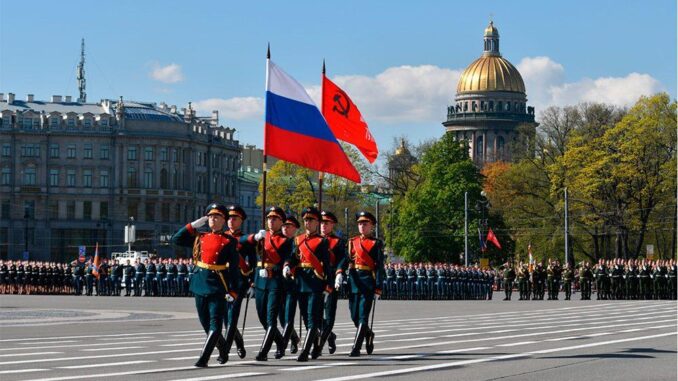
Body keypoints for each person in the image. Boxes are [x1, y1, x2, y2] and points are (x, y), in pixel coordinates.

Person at [171, 203, 240, 367]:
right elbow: (176, 239)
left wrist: (233, 291)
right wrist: (192, 225)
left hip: (218, 285)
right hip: (199, 283)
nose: (212, 219)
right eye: (210, 216)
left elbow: (234, 269)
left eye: (216, 217)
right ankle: (223, 349)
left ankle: (203, 358)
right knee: (205, 323)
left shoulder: (229, 241)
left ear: (223, 220)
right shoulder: (200, 237)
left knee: (215, 325)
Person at [286, 207, 331, 362]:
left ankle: (305, 351)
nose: (307, 222)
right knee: (306, 318)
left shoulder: (322, 241)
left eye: (311, 220)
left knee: (312, 318)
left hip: (315, 283)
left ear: (317, 222)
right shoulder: (298, 240)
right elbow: (293, 257)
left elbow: (327, 265)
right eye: (305, 220)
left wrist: (328, 286)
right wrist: (287, 265)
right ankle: (317, 344)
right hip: (301, 282)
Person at [249, 206, 294, 361]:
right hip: (260, 281)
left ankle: (263, 352)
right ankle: (282, 342)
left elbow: (288, 257)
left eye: (274, 219)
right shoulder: (261, 237)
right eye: (269, 218)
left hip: (276, 282)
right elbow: (251, 256)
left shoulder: (286, 241)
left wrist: (282, 266)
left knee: (270, 318)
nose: (271, 221)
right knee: (262, 317)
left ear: (281, 222)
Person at [222, 205, 257, 362]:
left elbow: (253, 263)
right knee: (225, 319)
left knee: (233, 317)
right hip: (223, 282)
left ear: (241, 221)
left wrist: (251, 282)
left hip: (238, 283)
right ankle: (239, 341)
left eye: (234, 218)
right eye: (229, 218)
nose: (231, 221)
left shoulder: (247, 240)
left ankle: (225, 351)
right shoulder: (221, 237)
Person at [347, 211, 384, 357]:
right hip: (354, 281)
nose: (362, 226)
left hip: (368, 282)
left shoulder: (376, 243)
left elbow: (379, 266)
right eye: (360, 224)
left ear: (372, 226)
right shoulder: (352, 242)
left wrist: (379, 286)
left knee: (363, 317)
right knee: (354, 316)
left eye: (365, 224)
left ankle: (356, 348)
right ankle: (368, 334)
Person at [312, 210, 347, 359]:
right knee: (314, 315)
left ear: (332, 225)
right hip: (315, 279)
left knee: (329, 314)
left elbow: (343, 259)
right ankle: (330, 336)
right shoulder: (315, 240)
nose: (323, 226)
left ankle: (319, 346)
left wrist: (339, 272)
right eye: (321, 223)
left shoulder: (338, 242)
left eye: (326, 223)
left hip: (331, 279)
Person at [278, 215, 301, 357]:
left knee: (289, 317)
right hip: (279, 283)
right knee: (281, 318)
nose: (285, 228)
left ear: (295, 229)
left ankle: (282, 346)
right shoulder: (278, 241)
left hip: (293, 283)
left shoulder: (297, 243)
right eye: (284, 226)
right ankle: (294, 338)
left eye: (289, 226)